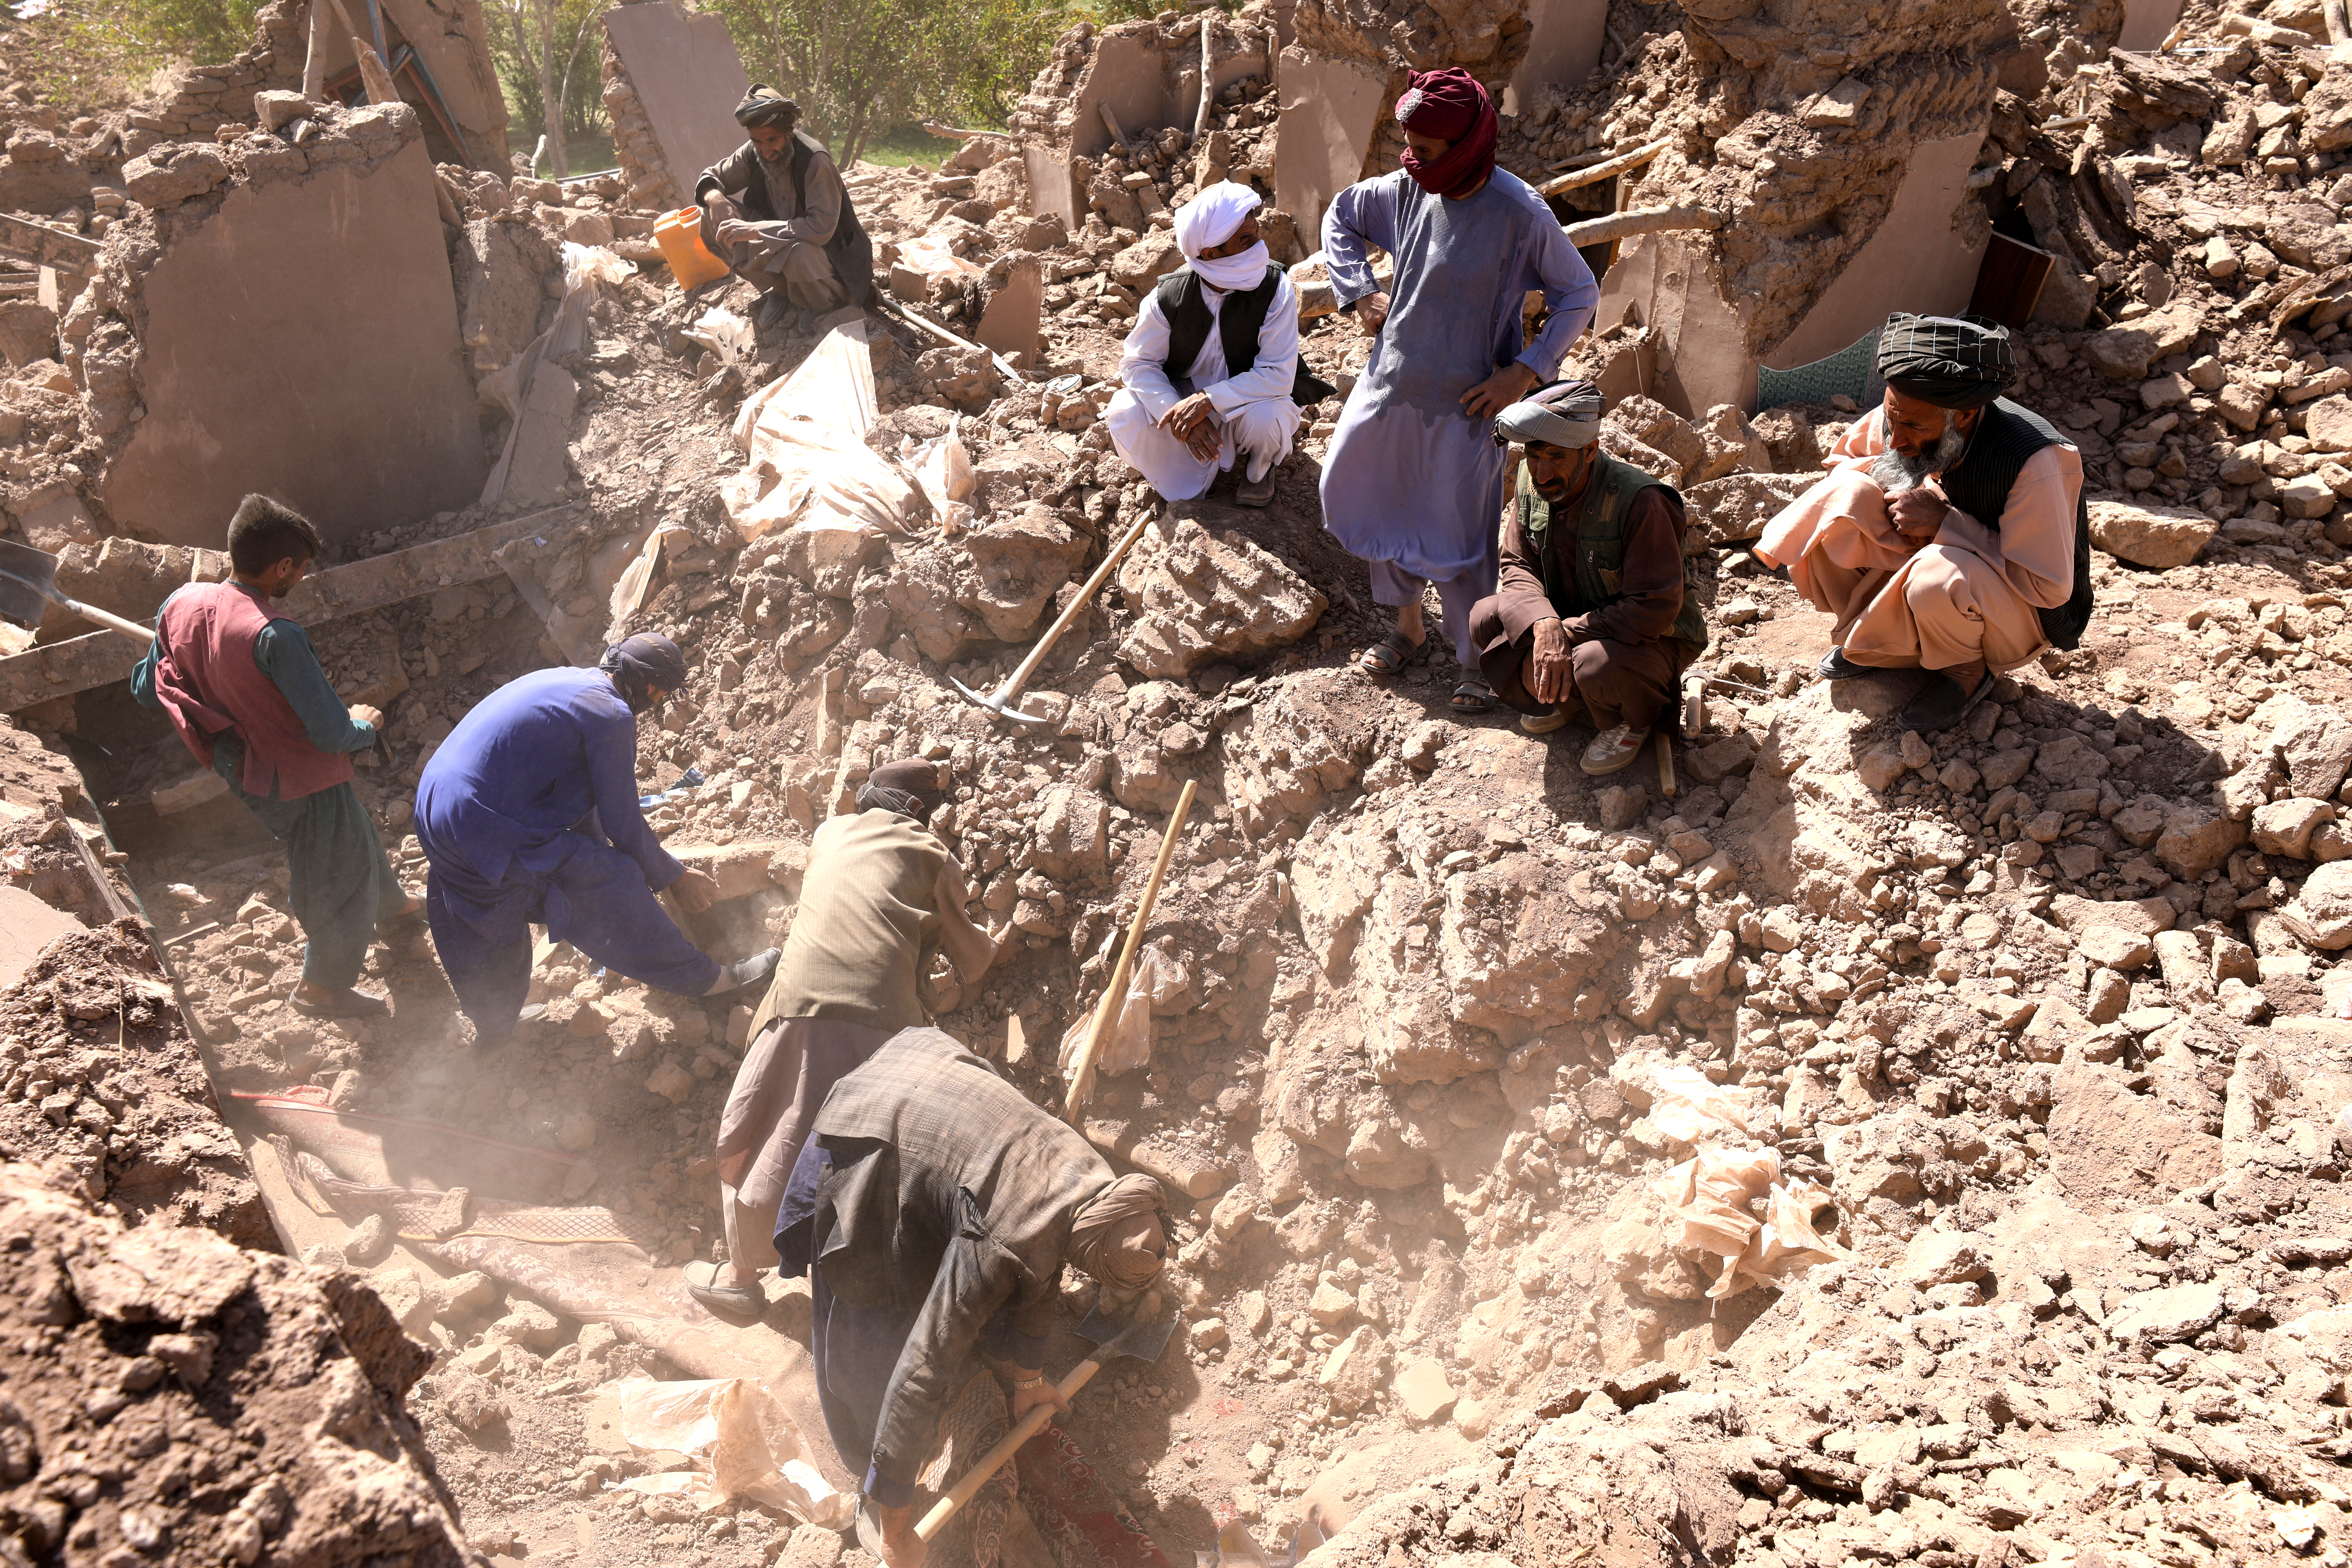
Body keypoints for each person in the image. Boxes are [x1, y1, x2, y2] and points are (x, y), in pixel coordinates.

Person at [775, 1028, 1170, 1568]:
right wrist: (898, 1528)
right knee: (862, 1328)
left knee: (955, 1282)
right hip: (867, 1130)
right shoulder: (1000, 1244)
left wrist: (1029, 1380)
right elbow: (922, 1369)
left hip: (924, 1069)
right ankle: (874, 1487)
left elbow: (1047, 1256)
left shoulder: (1092, 1179)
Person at [1319, 67, 1600, 715]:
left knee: (1460, 533)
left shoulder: (1518, 211)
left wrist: (1527, 370)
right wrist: (1360, 292)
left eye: (1425, 149)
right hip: (1391, 386)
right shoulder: (1404, 189)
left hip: (1467, 402)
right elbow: (1342, 215)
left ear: (1466, 144)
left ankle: (1475, 658)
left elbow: (1578, 292)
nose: (1410, 159)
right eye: (1408, 146)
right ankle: (1407, 630)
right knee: (1371, 499)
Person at [691, 758, 1002, 1319]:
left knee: (769, 1132)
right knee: (871, 1159)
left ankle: (740, 1277)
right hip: (888, 1027)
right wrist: (992, 937)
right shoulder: (935, 856)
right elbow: (974, 965)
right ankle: (866, 1301)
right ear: (917, 812)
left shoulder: (828, 835)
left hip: (797, 1007)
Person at [413, 635, 777, 1046]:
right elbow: (623, 820)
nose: (657, 704)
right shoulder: (611, 714)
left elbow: (577, 797)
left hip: (436, 808)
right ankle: (708, 981)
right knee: (606, 881)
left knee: (488, 900)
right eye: (661, 694)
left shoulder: (570, 682)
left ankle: (495, 1024)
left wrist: (609, 849)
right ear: (650, 687)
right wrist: (670, 876)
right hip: (483, 823)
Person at [134, 496, 419, 1018]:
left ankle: (396, 909)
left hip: (244, 768)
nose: (302, 579)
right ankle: (322, 989)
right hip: (297, 778)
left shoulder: (180, 604)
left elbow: (146, 687)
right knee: (336, 873)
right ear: (283, 567)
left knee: (351, 831)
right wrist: (366, 725)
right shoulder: (276, 635)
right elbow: (332, 734)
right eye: (302, 569)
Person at [1754, 313, 2091, 732]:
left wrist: (1945, 522)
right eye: (1893, 420)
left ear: (1965, 415)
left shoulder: (2037, 460)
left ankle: (1965, 673)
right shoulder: (1905, 408)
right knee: (1842, 499)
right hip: (1951, 563)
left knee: (1940, 573)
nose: (1896, 439)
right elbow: (1843, 464)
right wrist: (1892, 487)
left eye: (1912, 426)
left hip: (2019, 613)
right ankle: (1878, 640)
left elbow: (2047, 587)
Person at [1471, 380, 1711, 775]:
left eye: (1556, 457)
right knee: (1486, 617)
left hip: (1648, 638)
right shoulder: (1531, 483)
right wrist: (1543, 622)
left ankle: (1630, 722)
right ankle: (1573, 703)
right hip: (1571, 618)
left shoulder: (1642, 501)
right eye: (1533, 456)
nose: (1542, 472)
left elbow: (1654, 609)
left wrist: (1564, 632)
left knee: (1595, 664)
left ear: (1590, 451)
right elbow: (1517, 563)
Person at [1105, 181, 1306, 507]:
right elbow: (1138, 364)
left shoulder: (1276, 288)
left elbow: (1278, 375)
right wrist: (1178, 411)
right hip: (1186, 398)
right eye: (1245, 240)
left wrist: (1210, 400)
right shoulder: (1169, 297)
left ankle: (1259, 469)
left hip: (1249, 400)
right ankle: (1182, 474)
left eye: (1256, 234)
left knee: (1268, 421)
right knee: (1125, 408)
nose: (1259, 247)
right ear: (1212, 253)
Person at [696, 84, 875, 331]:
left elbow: (820, 228)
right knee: (709, 216)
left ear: (788, 132)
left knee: (798, 252)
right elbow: (713, 176)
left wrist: (756, 230)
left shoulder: (815, 160)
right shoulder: (754, 152)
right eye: (757, 141)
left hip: (832, 259)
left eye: (773, 140)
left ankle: (825, 305)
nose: (766, 150)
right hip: (783, 244)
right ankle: (782, 288)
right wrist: (716, 199)